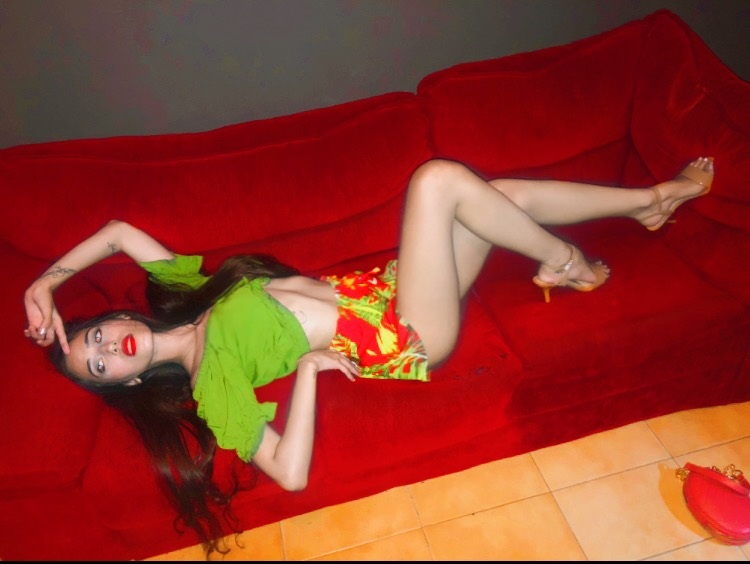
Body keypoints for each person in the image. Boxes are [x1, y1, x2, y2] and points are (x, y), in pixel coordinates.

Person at [23, 156, 714, 553]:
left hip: (391, 287)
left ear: (118, 318)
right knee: (436, 181)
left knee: (498, 196)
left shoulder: (188, 291)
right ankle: (567, 262)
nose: (108, 349)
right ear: (129, 381)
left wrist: (45, 285)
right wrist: (312, 371)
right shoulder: (211, 384)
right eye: (101, 366)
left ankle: (649, 202)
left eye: (97, 337)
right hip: (406, 332)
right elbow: (289, 472)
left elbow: (117, 232)